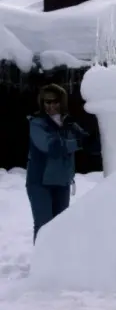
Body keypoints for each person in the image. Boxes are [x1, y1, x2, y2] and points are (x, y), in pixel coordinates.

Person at [26, 84, 89, 243]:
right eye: (47, 102)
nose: (51, 106)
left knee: (60, 226)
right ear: (42, 103)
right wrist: (78, 143)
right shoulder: (37, 123)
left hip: (61, 181)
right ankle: (41, 264)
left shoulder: (68, 122)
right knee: (44, 225)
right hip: (40, 182)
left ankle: (56, 264)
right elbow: (51, 146)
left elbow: (88, 141)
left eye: (55, 101)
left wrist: (85, 136)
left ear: (62, 102)